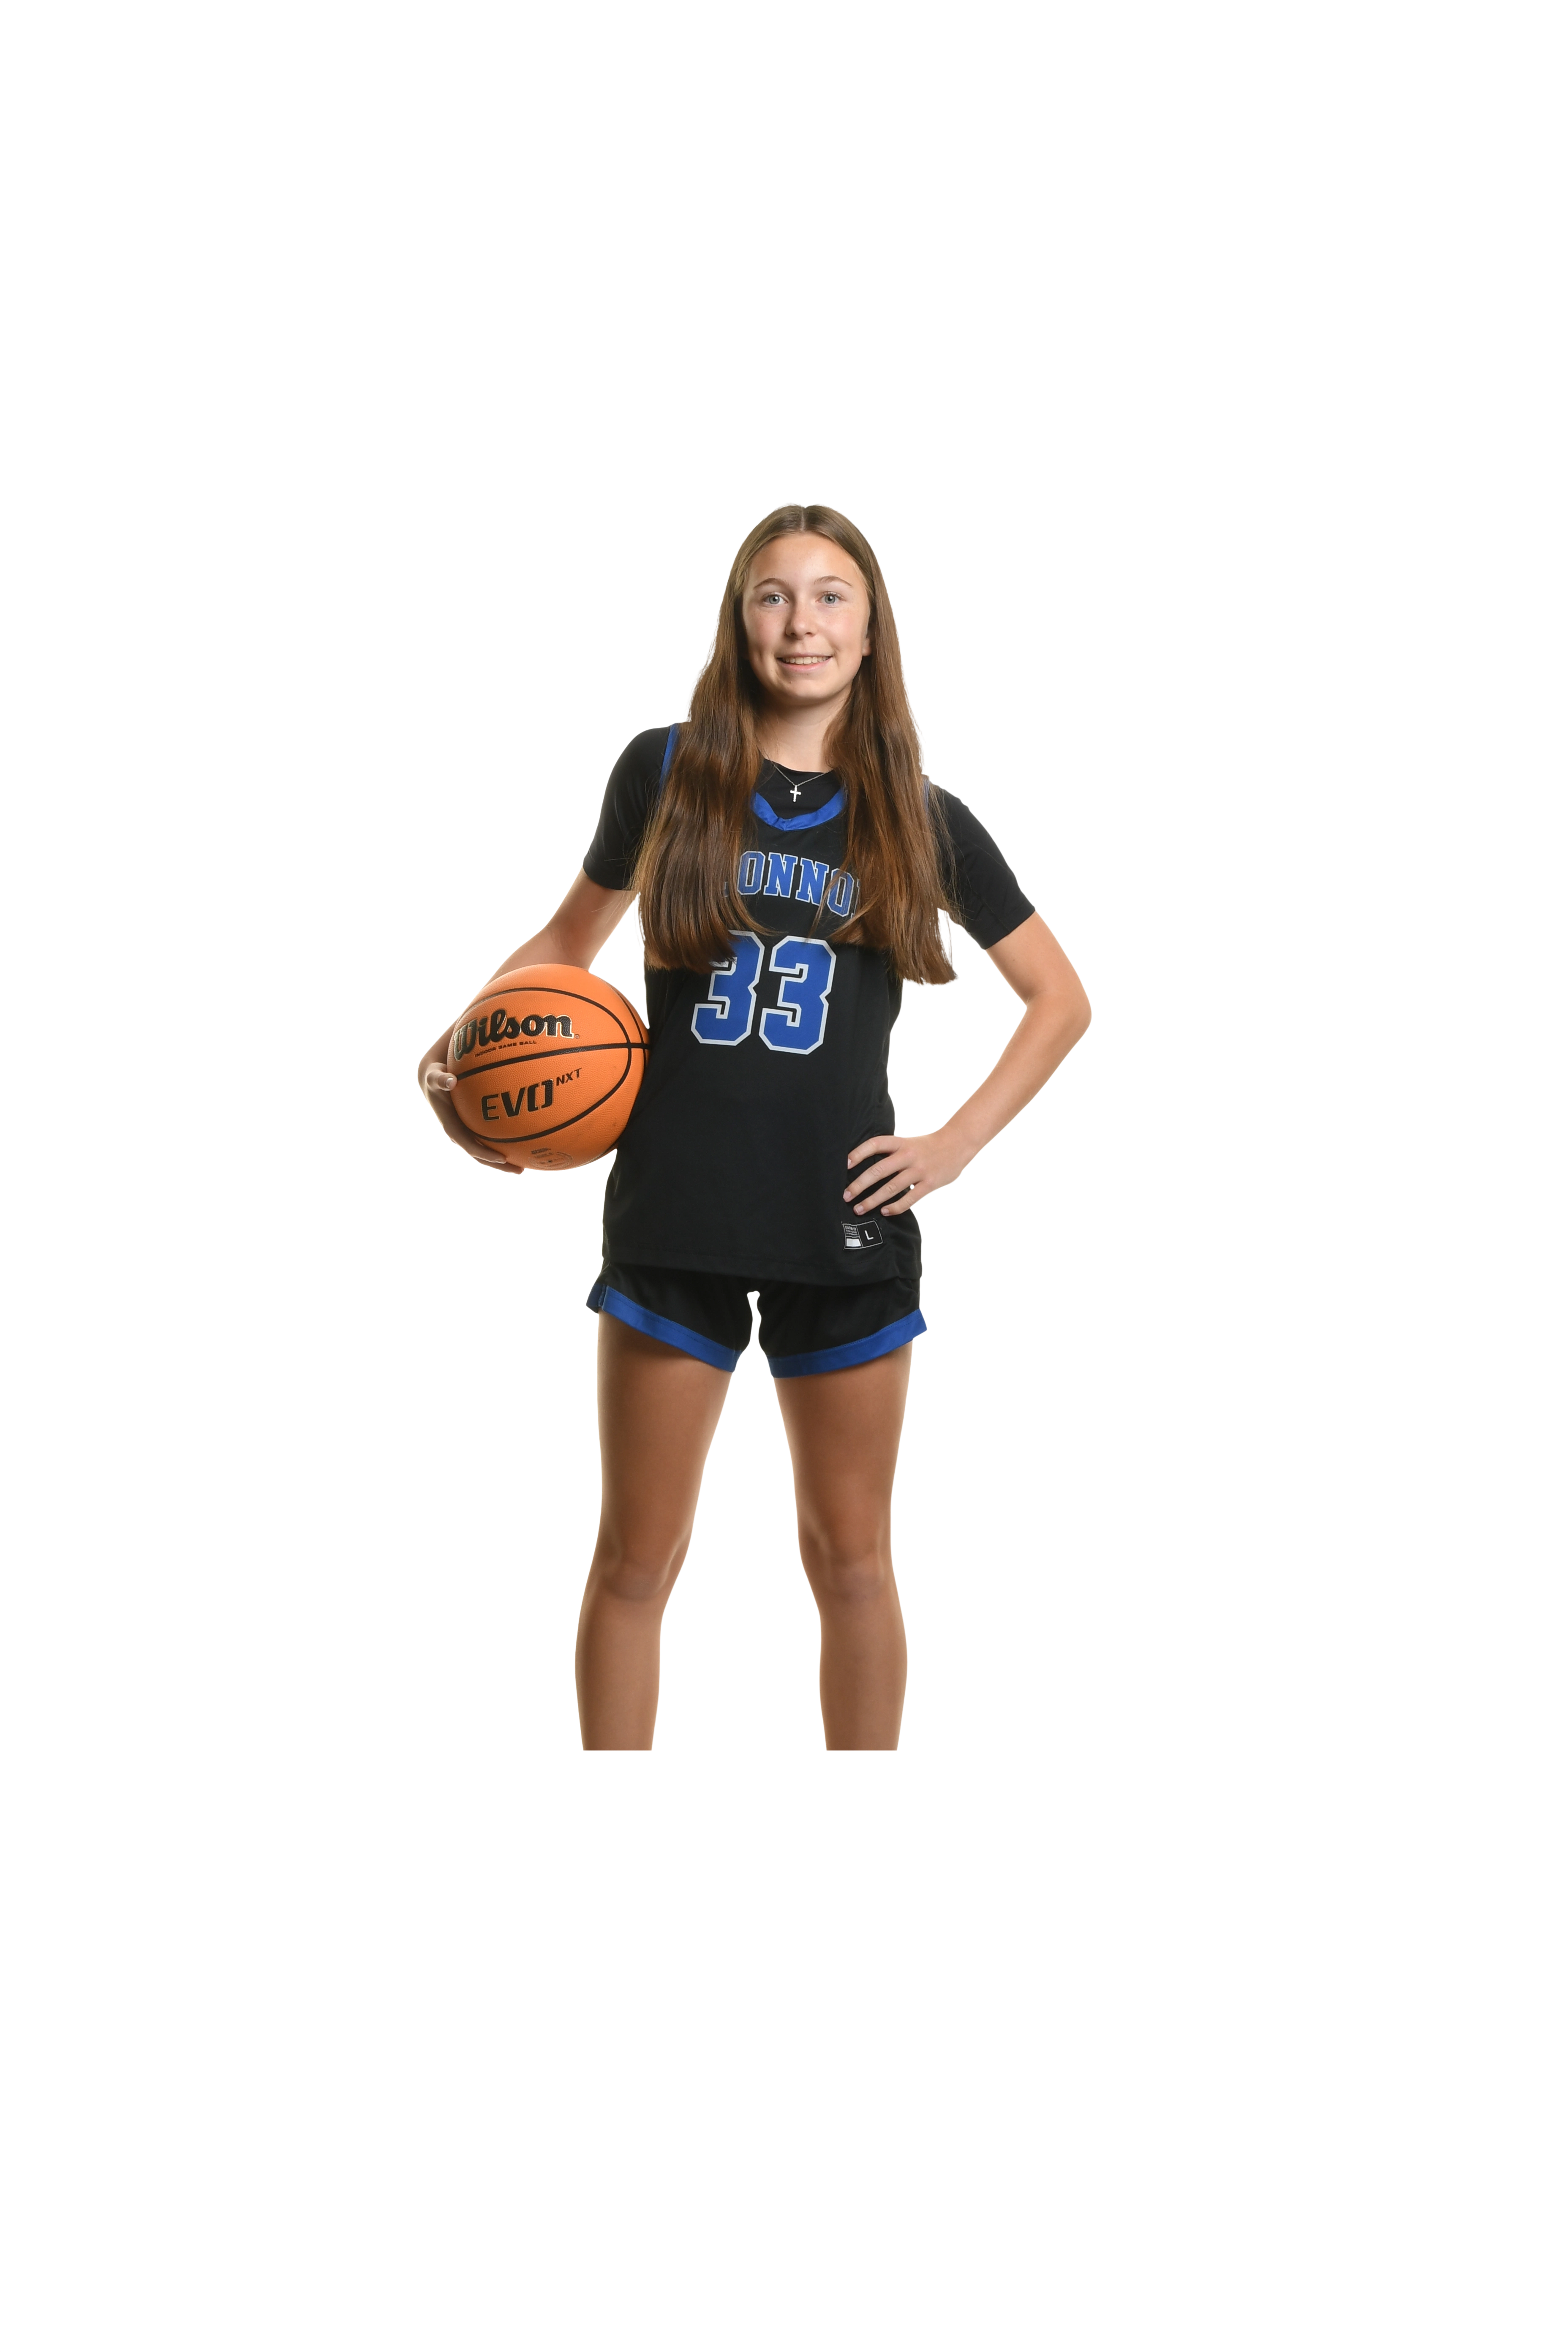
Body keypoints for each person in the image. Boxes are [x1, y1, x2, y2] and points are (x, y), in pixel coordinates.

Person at [417, 502, 1091, 1750]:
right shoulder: (664, 770)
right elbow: (566, 939)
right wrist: (461, 1050)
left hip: (842, 1216)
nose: (802, 623)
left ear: (874, 629)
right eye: (774, 595)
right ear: (739, 619)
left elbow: (1062, 999)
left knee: (852, 1560)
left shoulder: (920, 817)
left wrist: (953, 1146)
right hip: (678, 1203)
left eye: (833, 596)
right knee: (636, 1560)